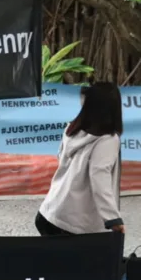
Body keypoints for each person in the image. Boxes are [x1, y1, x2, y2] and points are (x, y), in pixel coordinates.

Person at [36, 82, 125, 236]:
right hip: (74, 224)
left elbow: (61, 157)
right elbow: (99, 175)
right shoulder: (107, 140)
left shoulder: (72, 128)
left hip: (50, 212)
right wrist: (112, 219)